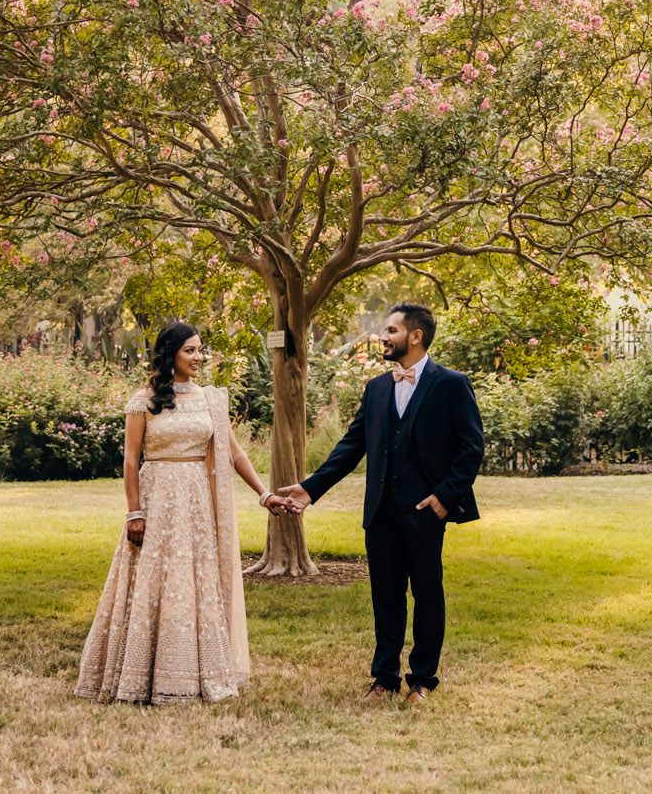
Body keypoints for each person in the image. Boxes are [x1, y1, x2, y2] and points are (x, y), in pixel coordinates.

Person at [276, 301, 483, 704]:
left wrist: (444, 499)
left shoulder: (451, 383)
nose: (383, 337)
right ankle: (384, 678)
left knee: (427, 595)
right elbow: (350, 447)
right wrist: (310, 488)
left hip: (425, 512)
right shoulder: (376, 388)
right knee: (385, 597)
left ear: (415, 336)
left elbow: (471, 448)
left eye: (391, 330)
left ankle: (421, 681)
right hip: (381, 513)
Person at [76, 322, 282, 704]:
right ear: (170, 353)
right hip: (156, 503)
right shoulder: (144, 400)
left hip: (196, 506)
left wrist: (264, 494)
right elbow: (130, 459)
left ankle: (193, 673)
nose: (198, 357)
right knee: (151, 583)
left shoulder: (210, 400)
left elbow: (234, 454)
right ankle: (139, 673)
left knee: (193, 584)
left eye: (200, 350)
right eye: (190, 350)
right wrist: (133, 513)